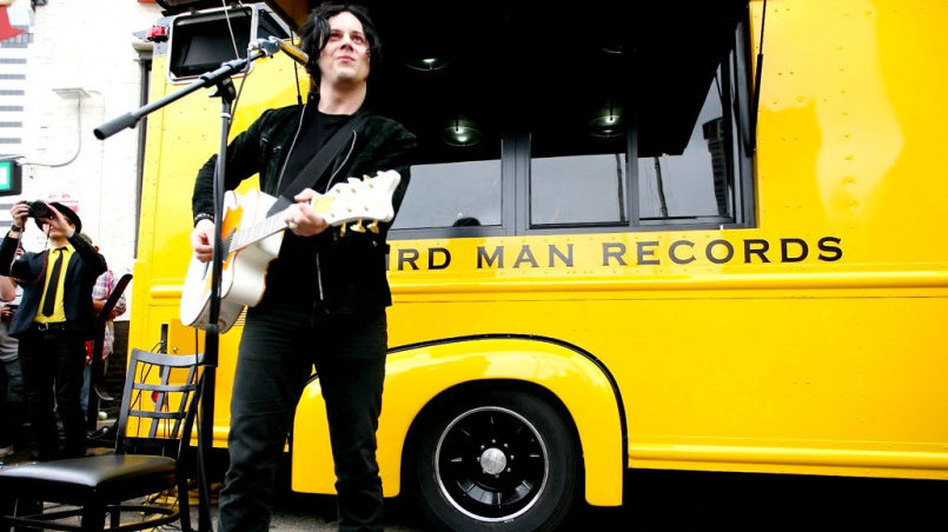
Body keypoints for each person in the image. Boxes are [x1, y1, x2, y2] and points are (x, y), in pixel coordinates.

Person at [189, 3, 415, 531]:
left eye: (359, 38)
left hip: (354, 314)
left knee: (356, 460)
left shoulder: (388, 137)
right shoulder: (276, 126)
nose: (347, 43)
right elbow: (214, 169)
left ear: (369, 57)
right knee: (249, 458)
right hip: (274, 310)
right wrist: (206, 220)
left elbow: (377, 215)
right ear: (314, 52)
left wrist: (327, 223)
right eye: (335, 35)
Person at [0, 201, 106, 460]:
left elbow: (98, 264)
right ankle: (46, 455)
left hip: (67, 336)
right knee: (37, 397)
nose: (52, 223)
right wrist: (17, 227)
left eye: (59, 220)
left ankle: (74, 455)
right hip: (33, 336)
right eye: (48, 221)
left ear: (71, 226)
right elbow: (3, 265)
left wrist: (68, 230)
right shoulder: (34, 260)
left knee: (68, 397)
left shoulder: (83, 258)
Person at [79, 235, 127, 419]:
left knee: (89, 389)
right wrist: (100, 305)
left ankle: (86, 425)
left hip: (99, 340)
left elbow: (118, 307)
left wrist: (88, 303)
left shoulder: (108, 275)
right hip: (65, 340)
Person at [0, 269, 22, 460]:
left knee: (14, 399)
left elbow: (10, 295)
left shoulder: (24, 290)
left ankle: (10, 442)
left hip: (15, 352)